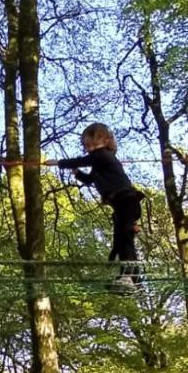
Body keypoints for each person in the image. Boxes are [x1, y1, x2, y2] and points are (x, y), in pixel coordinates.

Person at [45, 122, 143, 294]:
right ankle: (130, 278)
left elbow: (82, 160)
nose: (90, 148)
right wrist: (77, 174)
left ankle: (130, 276)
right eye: (87, 145)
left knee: (125, 238)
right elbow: (90, 180)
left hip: (127, 200)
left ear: (105, 141)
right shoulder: (99, 162)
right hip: (120, 204)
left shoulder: (103, 155)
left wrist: (58, 163)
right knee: (121, 241)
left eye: (93, 144)